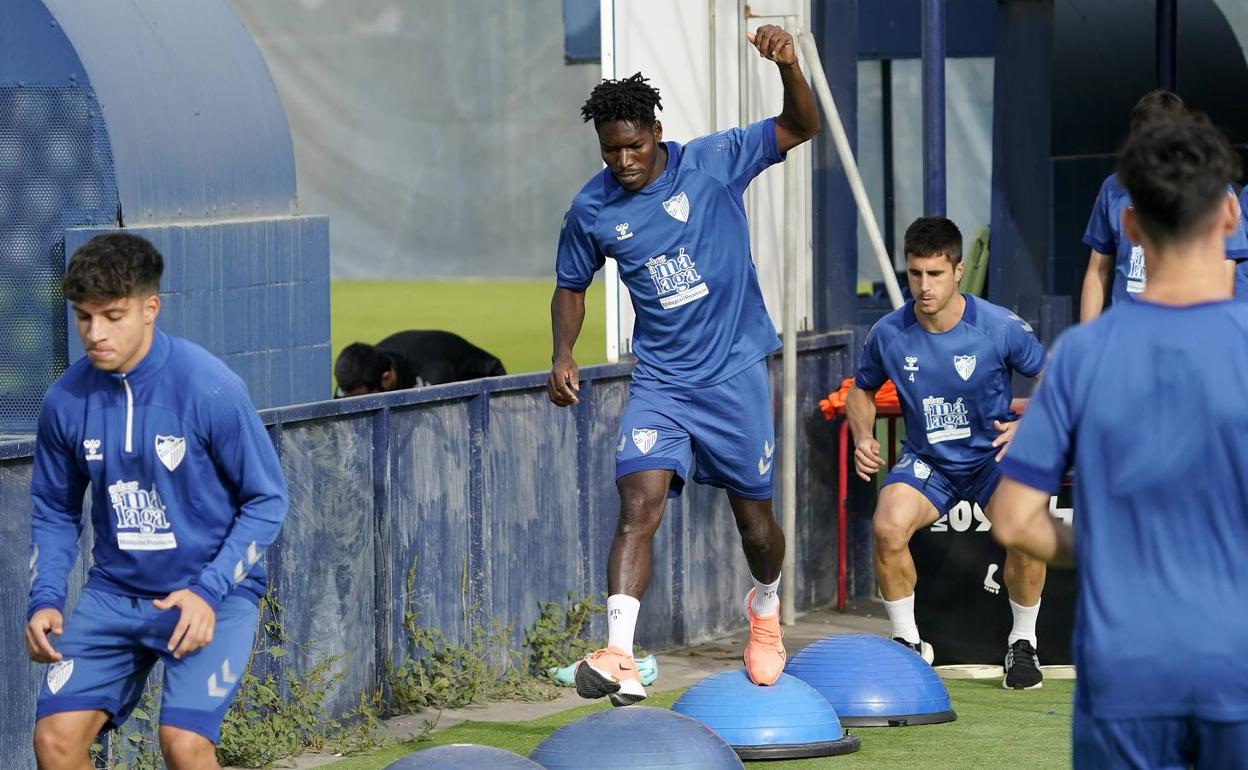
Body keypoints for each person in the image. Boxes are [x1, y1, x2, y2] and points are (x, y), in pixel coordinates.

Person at [547, 23, 820, 705]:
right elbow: (571, 286)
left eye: (634, 146)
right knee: (636, 504)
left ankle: (764, 607)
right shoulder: (592, 209)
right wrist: (563, 354)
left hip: (733, 375)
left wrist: (789, 65)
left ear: (657, 131)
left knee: (755, 527)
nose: (623, 161)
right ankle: (619, 653)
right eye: (610, 150)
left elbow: (800, 124)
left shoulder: (716, 160)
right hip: (661, 382)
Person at [992, 113, 1248, 767]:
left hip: (1123, 672)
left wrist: (1105, 544)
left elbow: (1015, 518)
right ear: (1231, 215)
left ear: (1129, 225)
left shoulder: (1080, 357)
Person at [26, 233, 288, 770]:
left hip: (209, 593)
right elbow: (55, 511)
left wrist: (208, 592)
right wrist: (46, 598)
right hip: (114, 595)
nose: (95, 334)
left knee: (184, 745)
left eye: (113, 316)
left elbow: (267, 501)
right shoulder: (64, 402)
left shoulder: (210, 388)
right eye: (83, 318)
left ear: (150, 308)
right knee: (54, 742)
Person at [847, 216, 1048, 690]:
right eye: (914, 273)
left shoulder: (999, 327)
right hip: (929, 462)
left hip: (991, 460)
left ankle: (1023, 644)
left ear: (958, 270)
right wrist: (862, 436)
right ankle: (910, 646)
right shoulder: (888, 333)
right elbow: (861, 390)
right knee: (887, 526)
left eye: (934, 274)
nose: (923, 286)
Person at [1080, 90, 1248, 320]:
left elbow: (1225, 272)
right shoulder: (1113, 188)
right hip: (1129, 330)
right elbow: (1097, 271)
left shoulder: (1212, 190)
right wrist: (1090, 340)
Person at [334, 330, 506, 397]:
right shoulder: (352, 384)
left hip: (486, 379)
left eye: (361, 399)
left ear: (386, 378)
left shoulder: (432, 372)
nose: (354, 403)